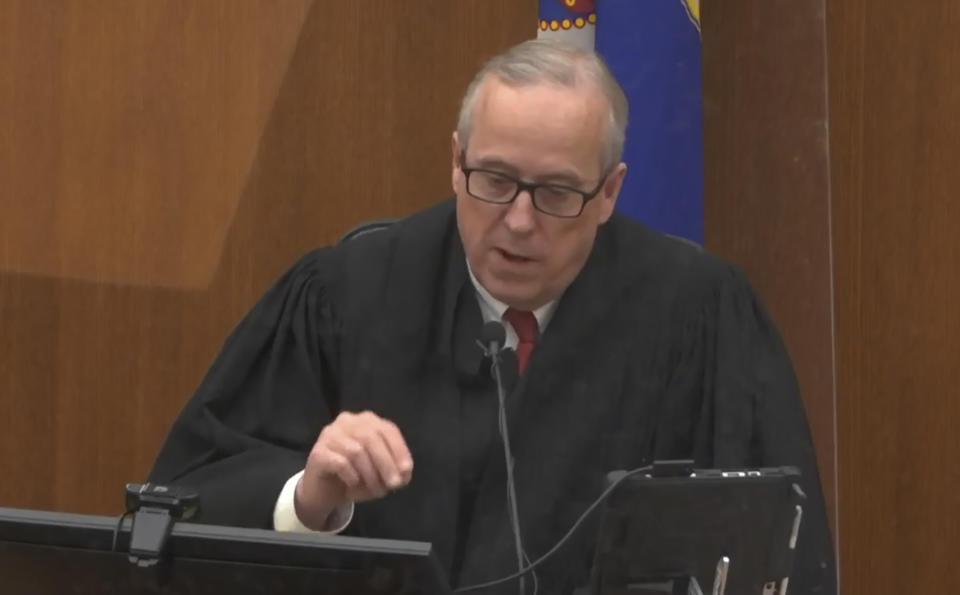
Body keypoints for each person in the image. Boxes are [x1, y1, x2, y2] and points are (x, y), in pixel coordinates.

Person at [149, 39, 837, 593]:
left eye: (557, 192)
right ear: (456, 163)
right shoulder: (347, 293)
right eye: (496, 180)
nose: (518, 221)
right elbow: (181, 502)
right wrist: (308, 497)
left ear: (610, 192)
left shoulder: (698, 316)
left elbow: (776, 547)